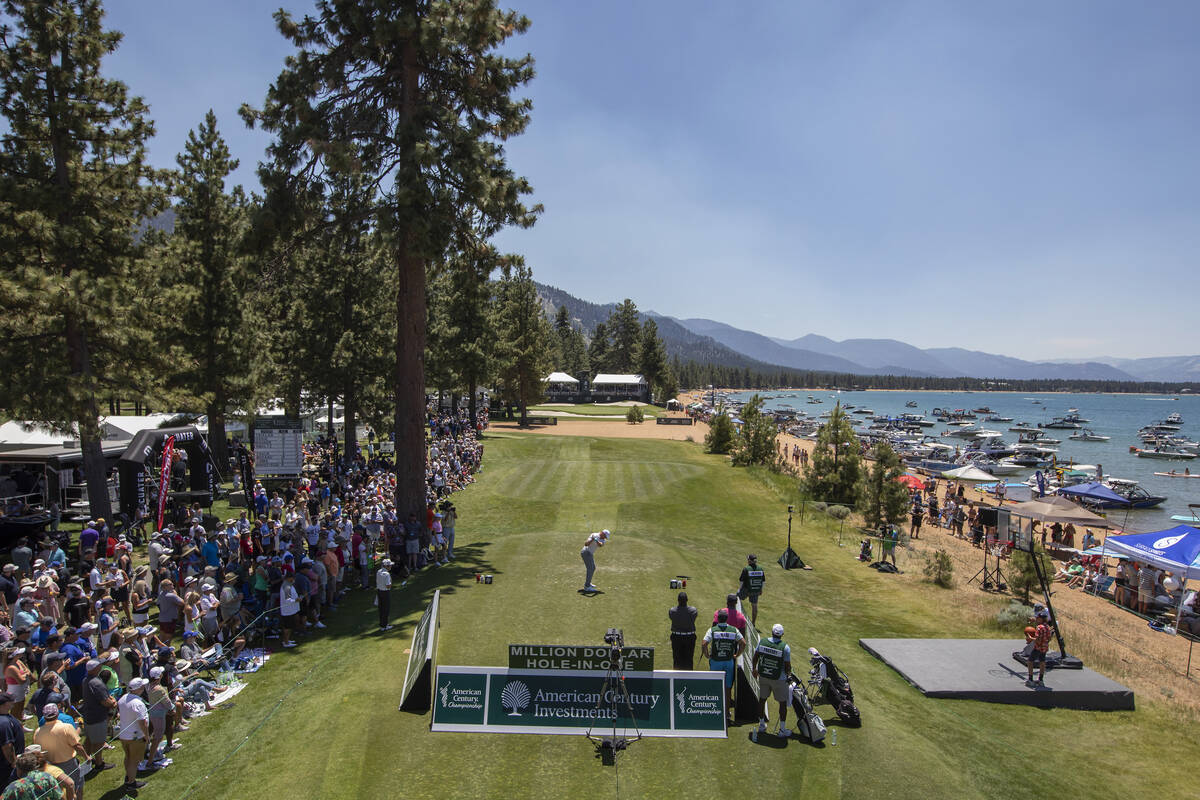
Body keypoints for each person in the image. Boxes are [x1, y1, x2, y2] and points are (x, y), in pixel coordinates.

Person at [32, 704, 86, 799]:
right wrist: (87, 757)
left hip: (49, 766)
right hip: (69, 764)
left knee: (57, 791)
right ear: (57, 714)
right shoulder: (66, 727)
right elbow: (77, 745)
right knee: (76, 787)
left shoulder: (37, 732)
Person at [701, 609, 744, 726]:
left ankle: (713, 710)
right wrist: (737, 655)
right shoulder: (733, 629)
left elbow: (704, 643)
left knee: (714, 686)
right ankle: (726, 713)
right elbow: (743, 643)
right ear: (727, 619)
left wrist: (706, 655)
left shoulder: (712, 630)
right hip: (728, 662)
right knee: (728, 688)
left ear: (718, 619)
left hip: (716, 661)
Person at [751, 623, 792, 739]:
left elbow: (755, 657)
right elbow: (787, 666)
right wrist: (789, 675)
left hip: (763, 676)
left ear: (772, 632)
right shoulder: (785, 647)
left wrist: (754, 669)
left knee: (762, 700)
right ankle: (782, 730)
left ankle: (762, 726)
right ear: (782, 635)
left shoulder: (763, 642)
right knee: (782, 703)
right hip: (779, 679)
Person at [116, 678, 149, 795]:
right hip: (135, 736)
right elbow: (142, 723)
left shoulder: (122, 699)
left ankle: (128, 776)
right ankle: (131, 782)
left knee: (128, 757)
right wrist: (147, 736)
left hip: (124, 735)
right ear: (139, 689)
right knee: (134, 761)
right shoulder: (138, 703)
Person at [0, 692, 24, 791]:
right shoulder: (3, 723)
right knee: (9, 791)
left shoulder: (6, 717)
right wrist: (14, 763)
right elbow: (7, 746)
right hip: (7, 767)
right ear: (4, 704)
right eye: (11, 701)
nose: (13, 702)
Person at [667, 592, 697, 670]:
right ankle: (688, 678)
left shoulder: (672, 611)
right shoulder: (693, 610)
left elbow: (672, 617)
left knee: (677, 659)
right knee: (689, 659)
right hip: (689, 637)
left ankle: (676, 679)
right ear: (687, 600)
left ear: (678, 600)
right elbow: (693, 618)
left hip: (676, 637)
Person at [1026, 608, 1052, 687]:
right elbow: (1049, 638)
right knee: (1042, 662)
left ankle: (1030, 679)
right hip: (1044, 648)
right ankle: (1041, 679)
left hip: (1038, 648)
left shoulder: (1039, 627)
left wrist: (1031, 639)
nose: (1036, 619)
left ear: (1041, 619)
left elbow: (1037, 639)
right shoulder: (1047, 627)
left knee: (1030, 661)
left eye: (1038, 618)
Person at [737, 554, 765, 627]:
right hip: (756, 590)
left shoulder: (746, 569)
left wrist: (740, 589)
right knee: (754, 606)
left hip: (746, 589)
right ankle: (753, 623)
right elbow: (763, 581)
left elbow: (741, 581)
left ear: (749, 560)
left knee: (736, 600)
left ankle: (736, 618)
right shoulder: (760, 569)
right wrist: (761, 589)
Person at [376, 559, 394, 632]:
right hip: (385, 593)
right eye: (390, 565)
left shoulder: (378, 571)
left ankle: (382, 625)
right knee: (386, 609)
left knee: (381, 609)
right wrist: (391, 583)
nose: (391, 567)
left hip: (379, 592)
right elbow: (388, 586)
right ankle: (385, 625)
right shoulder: (387, 574)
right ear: (386, 566)